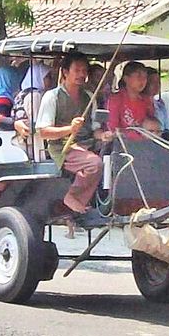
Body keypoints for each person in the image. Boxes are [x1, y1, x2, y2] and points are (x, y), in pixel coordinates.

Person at [36, 52, 112, 215]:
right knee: (94, 164)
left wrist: (103, 135)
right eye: (76, 70)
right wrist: (69, 130)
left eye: (84, 71)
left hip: (88, 145)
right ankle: (73, 197)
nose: (81, 75)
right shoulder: (52, 97)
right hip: (63, 147)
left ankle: (106, 201)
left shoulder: (89, 96)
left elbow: (95, 129)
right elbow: (43, 132)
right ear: (65, 72)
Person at [12, 61, 54, 161]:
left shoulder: (24, 93)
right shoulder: (34, 96)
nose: (51, 81)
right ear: (38, 77)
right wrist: (40, 158)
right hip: (30, 147)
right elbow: (37, 127)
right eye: (47, 77)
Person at [106, 61, 154, 139]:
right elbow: (112, 127)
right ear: (126, 78)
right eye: (139, 76)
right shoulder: (115, 99)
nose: (142, 80)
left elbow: (152, 124)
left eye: (145, 77)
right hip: (121, 143)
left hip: (145, 143)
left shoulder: (146, 100)